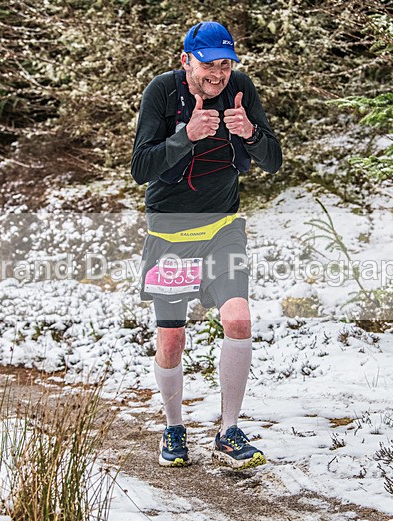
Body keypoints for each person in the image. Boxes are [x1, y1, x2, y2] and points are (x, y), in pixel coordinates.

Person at [131, 21, 282, 470]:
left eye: (226, 63)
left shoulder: (240, 88)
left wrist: (251, 133)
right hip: (169, 233)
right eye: (208, 64)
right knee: (172, 339)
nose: (218, 74)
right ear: (186, 62)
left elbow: (273, 161)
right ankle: (174, 427)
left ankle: (229, 430)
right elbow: (141, 167)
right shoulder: (161, 92)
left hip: (223, 229)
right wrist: (185, 136)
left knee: (238, 319)